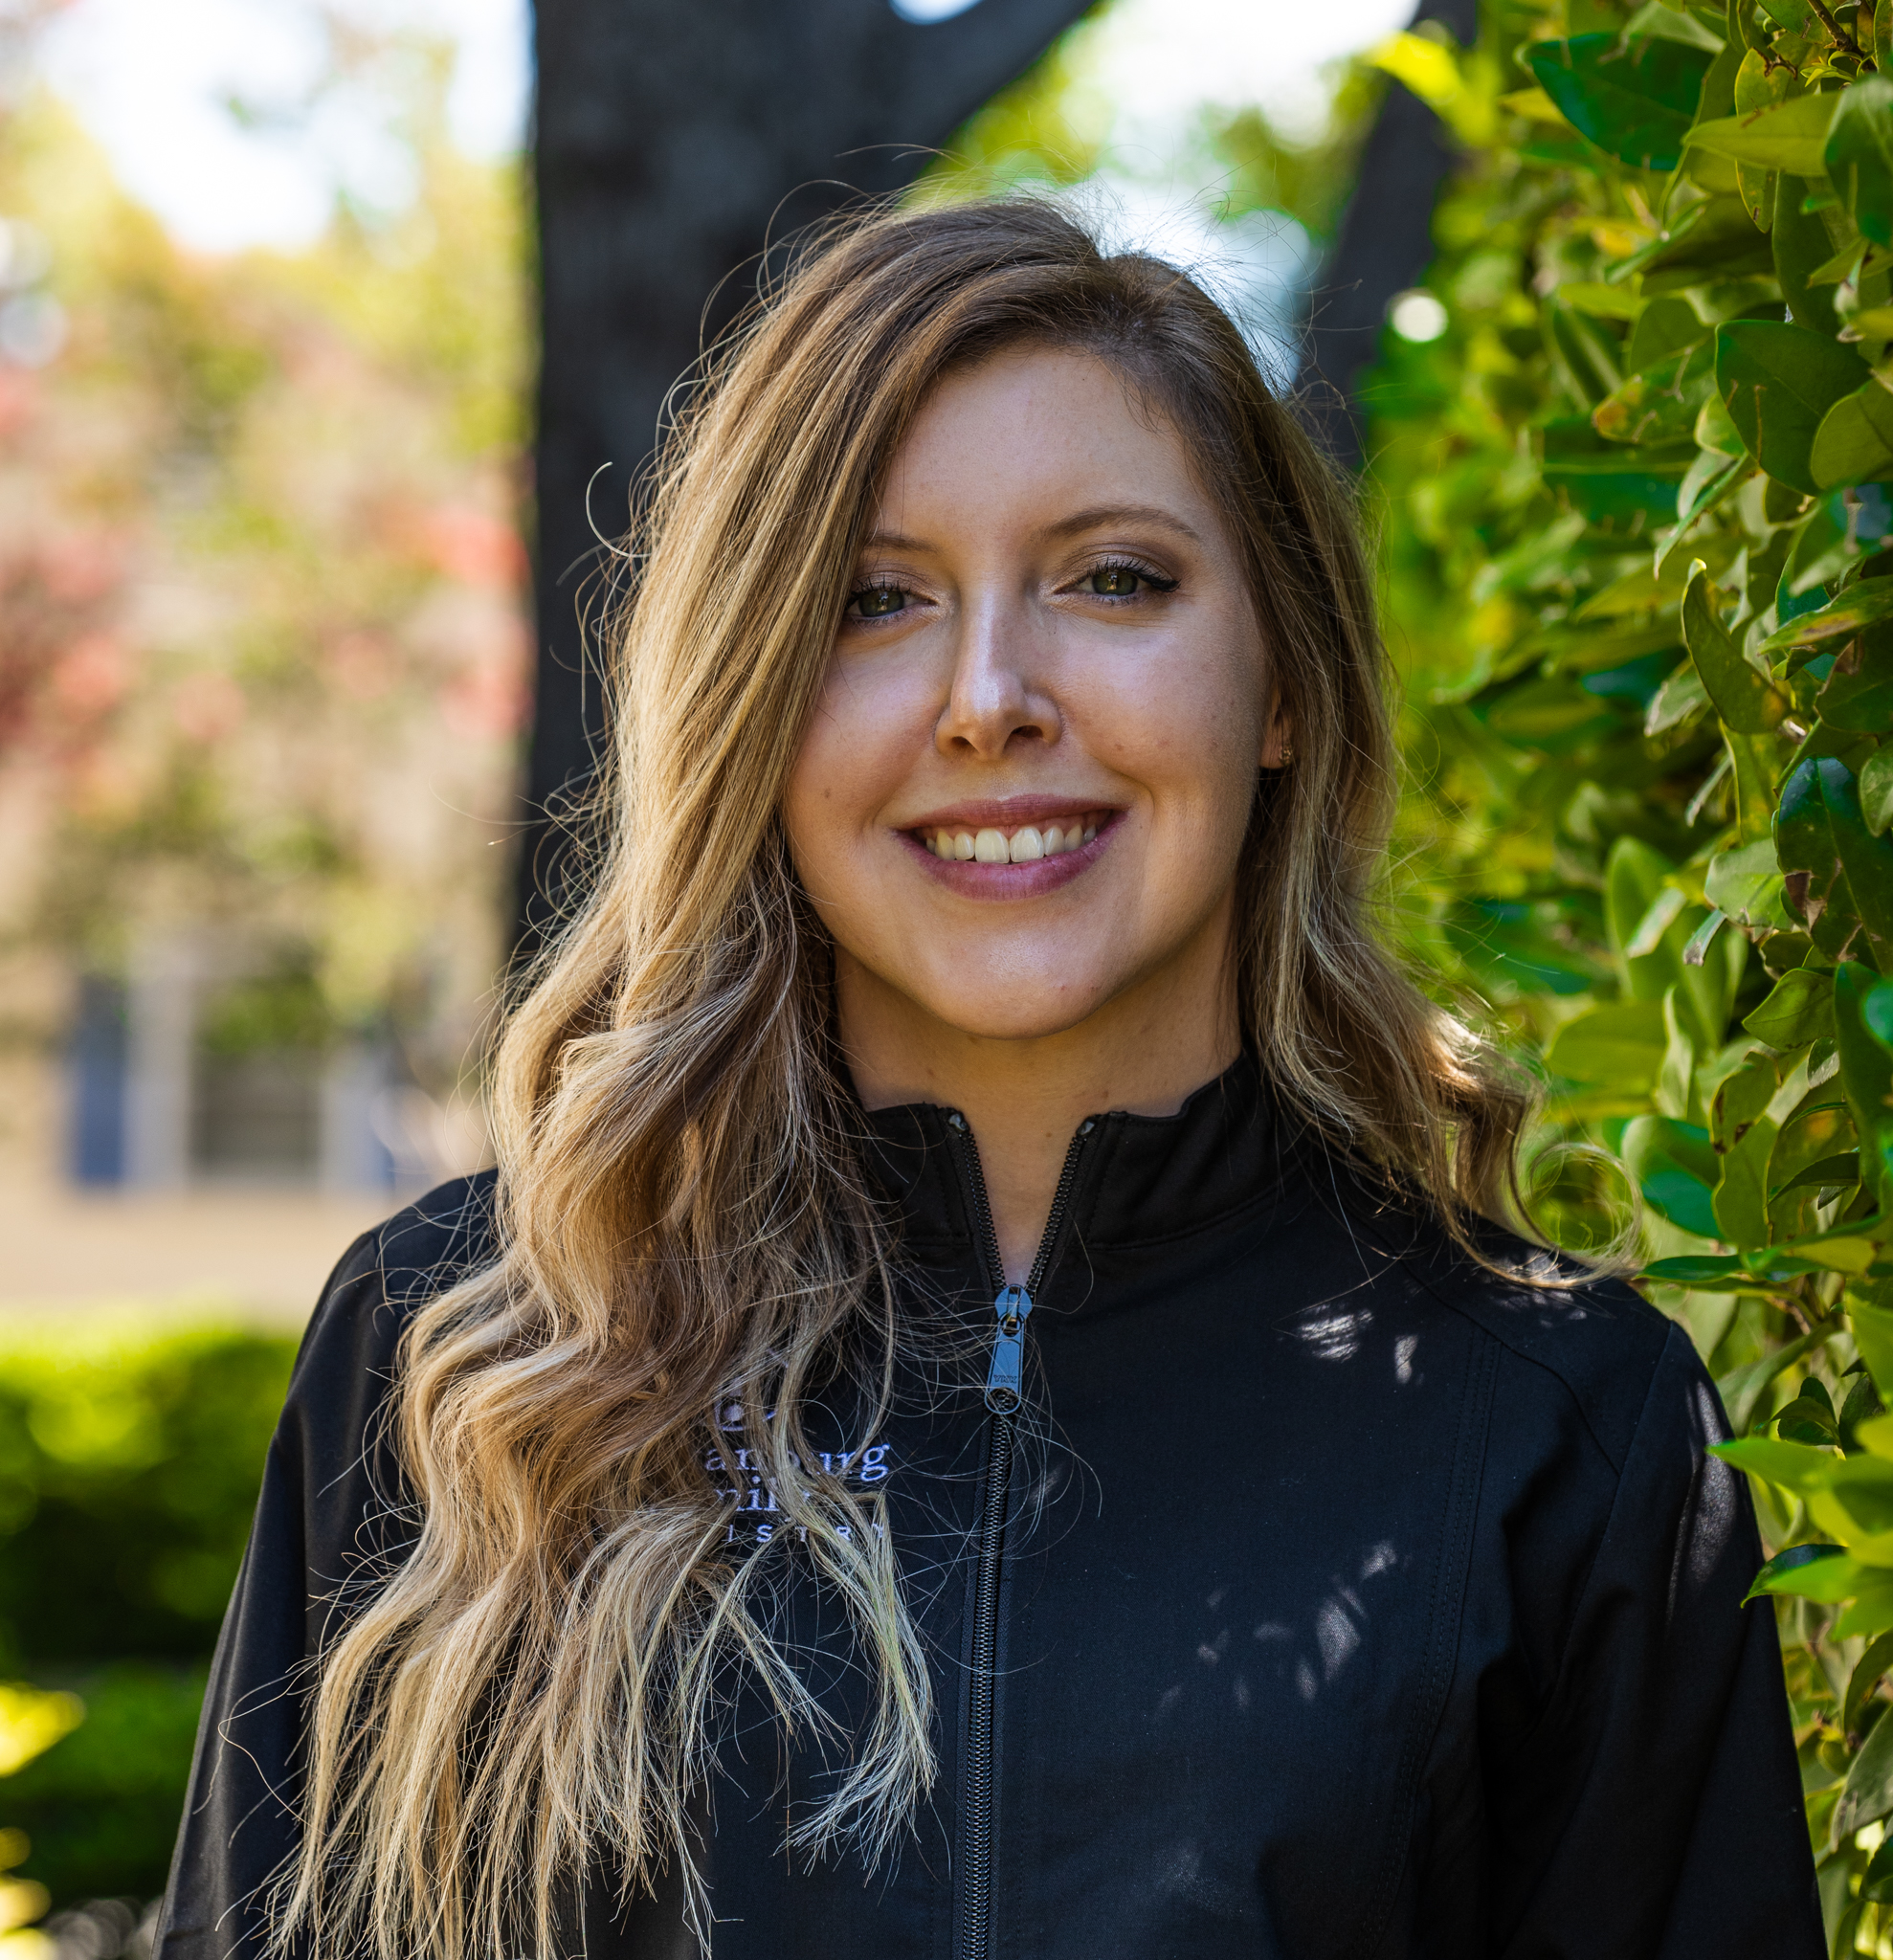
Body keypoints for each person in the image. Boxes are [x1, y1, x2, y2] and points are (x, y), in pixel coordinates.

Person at [156, 201, 1820, 1960]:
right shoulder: (468, 1360)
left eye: (1114, 578)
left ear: (1282, 682)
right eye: (874, 601)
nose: (987, 700)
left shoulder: (1555, 1423)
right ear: (754, 705)